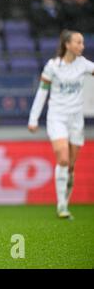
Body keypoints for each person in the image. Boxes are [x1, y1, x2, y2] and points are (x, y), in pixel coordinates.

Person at [28, 29, 94, 219]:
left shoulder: (83, 65)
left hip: (76, 120)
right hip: (57, 117)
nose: (82, 46)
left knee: (71, 166)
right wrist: (33, 119)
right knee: (63, 159)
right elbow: (42, 92)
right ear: (67, 44)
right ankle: (61, 206)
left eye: (82, 42)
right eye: (78, 42)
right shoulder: (53, 66)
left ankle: (66, 203)